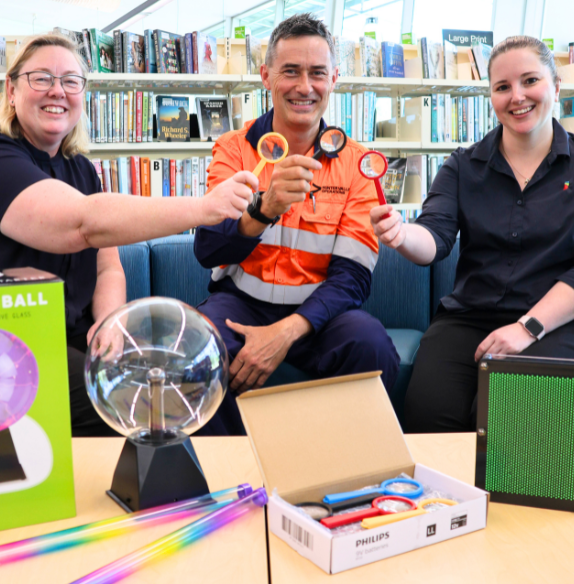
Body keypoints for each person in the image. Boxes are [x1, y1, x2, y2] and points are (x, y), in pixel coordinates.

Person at [0, 33, 256, 436]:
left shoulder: (82, 169)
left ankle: (224, 487)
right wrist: (205, 207)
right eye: (41, 78)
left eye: (71, 80)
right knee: (133, 410)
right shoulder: (2, 158)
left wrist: (109, 324)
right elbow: (84, 223)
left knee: (185, 389)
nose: (58, 91)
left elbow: (108, 268)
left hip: (74, 339)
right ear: (12, 91)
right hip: (14, 347)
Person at [194, 13, 400, 435]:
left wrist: (284, 333)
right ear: (266, 76)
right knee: (200, 350)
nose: (305, 87)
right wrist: (263, 208)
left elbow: (352, 279)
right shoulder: (232, 149)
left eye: (317, 73)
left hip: (320, 314)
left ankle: (348, 479)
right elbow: (208, 251)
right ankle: (232, 481)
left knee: (372, 344)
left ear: (334, 78)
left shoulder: (358, 163)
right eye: (290, 71)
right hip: (240, 303)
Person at [370, 35, 574, 433]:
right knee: (429, 414)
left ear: (556, 85)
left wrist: (526, 328)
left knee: (511, 417)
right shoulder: (463, 166)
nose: (517, 97)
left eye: (529, 81)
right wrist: (400, 234)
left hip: (553, 321)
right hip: (468, 318)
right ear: (491, 96)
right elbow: (433, 238)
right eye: (502, 87)